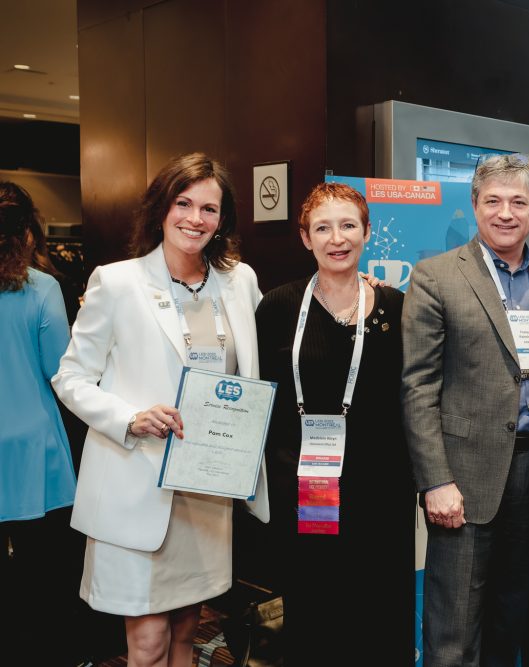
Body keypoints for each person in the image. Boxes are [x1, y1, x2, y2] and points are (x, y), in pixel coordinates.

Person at [53, 153, 269, 667]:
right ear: (161, 208)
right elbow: (70, 377)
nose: (195, 219)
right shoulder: (118, 282)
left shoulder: (239, 282)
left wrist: (359, 290)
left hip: (204, 489)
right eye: (184, 203)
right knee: (146, 645)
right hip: (138, 483)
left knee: (186, 635)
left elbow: (277, 337)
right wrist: (128, 417)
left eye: (209, 209)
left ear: (223, 219)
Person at [402, 153, 529, 666]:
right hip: (465, 475)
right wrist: (435, 481)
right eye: (493, 201)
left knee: (512, 619)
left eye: (518, 201)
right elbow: (417, 386)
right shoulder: (436, 276)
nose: (506, 212)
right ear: (474, 206)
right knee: (453, 630)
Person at [255, 182, 414, 664]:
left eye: (348, 225)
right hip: (307, 487)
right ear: (306, 238)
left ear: (367, 232)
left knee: (378, 611)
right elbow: (263, 395)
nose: (336, 238)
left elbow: (411, 397)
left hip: (380, 489)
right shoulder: (279, 307)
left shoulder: (397, 308)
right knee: (314, 608)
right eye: (322, 228)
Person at [0, 181, 77, 665]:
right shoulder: (42, 288)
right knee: (42, 574)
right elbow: (62, 372)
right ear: (28, 232)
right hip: (35, 448)